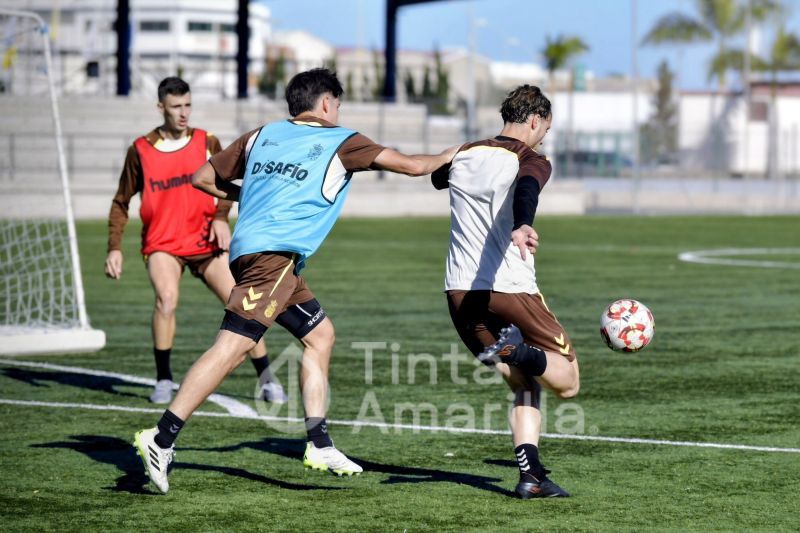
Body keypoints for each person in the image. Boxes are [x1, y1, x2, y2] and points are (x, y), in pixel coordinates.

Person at [133, 68, 458, 493]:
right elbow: (415, 166)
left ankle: (319, 442)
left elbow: (203, 178)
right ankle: (161, 437)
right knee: (232, 347)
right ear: (326, 103)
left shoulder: (261, 135)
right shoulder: (341, 140)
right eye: (338, 104)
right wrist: (456, 152)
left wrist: (249, 193)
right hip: (274, 259)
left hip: (261, 256)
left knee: (320, 335)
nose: (339, 111)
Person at [432, 84, 580, 499]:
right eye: (544, 129)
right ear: (535, 121)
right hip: (509, 286)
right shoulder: (531, 157)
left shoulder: (468, 151)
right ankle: (518, 350)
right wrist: (522, 223)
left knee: (523, 384)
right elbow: (527, 189)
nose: (543, 137)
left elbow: (436, 177)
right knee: (567, 380)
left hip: (459, 290)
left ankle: (531, 476)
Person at [105, 76, 286, 405]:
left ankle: (267, 378)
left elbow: (228, 183)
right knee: (166, 299)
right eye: (176, 106)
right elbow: (121, 201)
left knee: (244, 305)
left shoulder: (207, 140)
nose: (184, 112)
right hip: (163, 243)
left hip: (206, 242)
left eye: (188, 105)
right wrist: (114, 247)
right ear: (161, 108)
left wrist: (220, 218)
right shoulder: (141, 150)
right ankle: (163, 380)